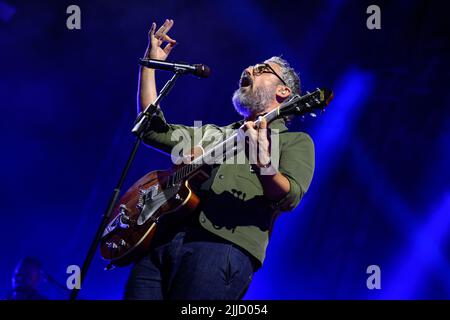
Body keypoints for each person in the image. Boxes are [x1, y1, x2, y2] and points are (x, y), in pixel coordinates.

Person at [124, 19, 315, 300]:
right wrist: (150, 66)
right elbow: (152, 130)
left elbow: (289, 197)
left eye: (262, 70)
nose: (248, 69)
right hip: (161, 241)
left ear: (283, 92)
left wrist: (262, 161)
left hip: (221, 249)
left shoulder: (294, 142)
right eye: (251, 66)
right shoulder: (214, 133)